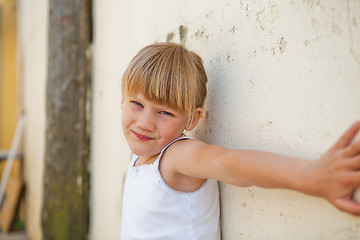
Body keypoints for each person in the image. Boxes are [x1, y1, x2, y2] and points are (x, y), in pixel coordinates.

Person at [120, 42, 360, 239]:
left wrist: (312, 176)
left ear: (192, 120)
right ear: (123, 100)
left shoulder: (177, 156)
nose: (144, 123)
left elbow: (230, 163)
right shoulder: (140, 158)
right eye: (137, 104)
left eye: (165, 113)